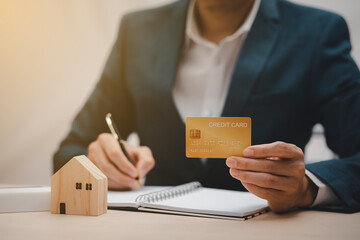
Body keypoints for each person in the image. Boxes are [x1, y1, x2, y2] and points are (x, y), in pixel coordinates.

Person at [54, 0, 360, 213]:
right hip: (154, 230)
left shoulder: (315, 33)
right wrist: (101, 163)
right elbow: (70, 152)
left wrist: (306, 186)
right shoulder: (139, 31)